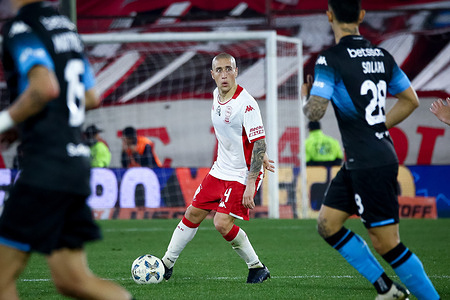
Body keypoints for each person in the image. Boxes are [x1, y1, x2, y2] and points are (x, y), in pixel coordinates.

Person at [301, 1, 440, 300]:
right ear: (362, 16)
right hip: (361, 159)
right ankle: (386, 288)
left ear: (329, 16)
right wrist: (377, 125)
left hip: (369, 163)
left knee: (387, 244)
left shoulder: (330, 59)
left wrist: (305, 100)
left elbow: (314, 112)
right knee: (328, 224)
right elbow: (410, 100)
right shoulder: (382, 56)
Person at [0, 1, 133, 299]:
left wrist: (6, 119)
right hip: (74, 165)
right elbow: (90, 96)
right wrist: (21, 124)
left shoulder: (22, 27)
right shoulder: (66, 29)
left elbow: (44, 88)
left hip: (45, 167)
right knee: (73, 281)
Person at [161, 52, 275, 283]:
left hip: (243, 174)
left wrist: (251, 183)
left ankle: (257, 267)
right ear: (212, 75)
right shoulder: (216, 95)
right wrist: (256, 149)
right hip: (220, 168)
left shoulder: (247, 104)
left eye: (228, 69)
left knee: (221, 223)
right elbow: (238, 135)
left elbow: (259, 142)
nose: (224, 75)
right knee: (192, 213)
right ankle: (166, 264)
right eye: (219, 70)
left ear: (236, 71)